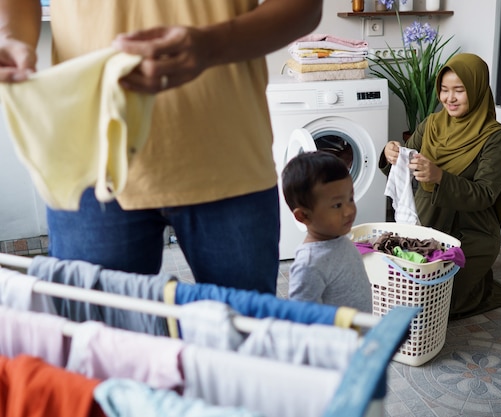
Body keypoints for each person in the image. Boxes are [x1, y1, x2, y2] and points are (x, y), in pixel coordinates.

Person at [0, 0, 323, 294]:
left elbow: (305, 7)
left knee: (240, 346)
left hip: (230, 154)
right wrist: (10, 35)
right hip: (90, 158)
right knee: (98, 346)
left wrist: (211, 45)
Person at [381, 53, 501, 319]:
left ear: (477, 90)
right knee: (402, 291)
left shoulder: (496, 137)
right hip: (425, 222)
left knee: (436, 307)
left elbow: (485, 194)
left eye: (459, 90)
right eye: (444, 90)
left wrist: (440, 177)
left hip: (471, 230)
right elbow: (403, 163)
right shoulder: (431, 124)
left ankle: (478, 286)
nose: (449, 98)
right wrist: (391, 154)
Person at [281, 151, 373, 313]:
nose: (349, 210)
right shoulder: (309, 265)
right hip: (336, 338)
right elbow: (301, 319)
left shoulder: (339, 238)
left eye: (350, 199)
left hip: (359, 335)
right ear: (303, 216)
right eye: (337, 205)